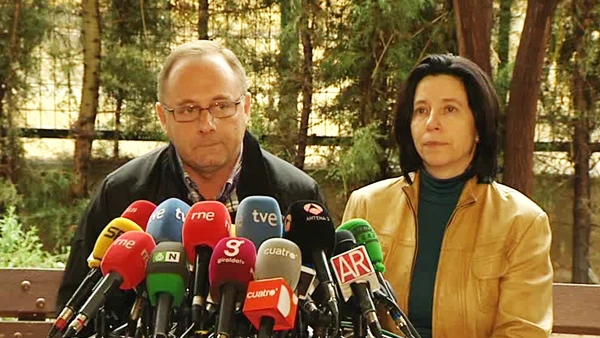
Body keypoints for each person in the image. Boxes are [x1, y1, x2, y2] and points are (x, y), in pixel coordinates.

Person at [57, 40, 326, 335]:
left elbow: (327, 314)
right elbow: (75, 313)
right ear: (163, 117)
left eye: (221, 106)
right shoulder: (121, 195)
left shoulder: (298, 197)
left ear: (246, 108)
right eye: (187, 109)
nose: (206, 124)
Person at [342, 54, 553, 337]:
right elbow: (344, 317)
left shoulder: (523, 223)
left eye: (450, 110)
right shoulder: (366, 205)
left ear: (479, 126)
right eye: (420, 110)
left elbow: (523, 332)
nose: (432, 123)